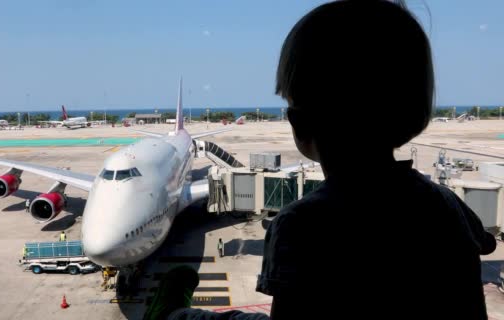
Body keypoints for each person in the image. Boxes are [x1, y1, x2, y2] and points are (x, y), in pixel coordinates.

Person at [144, 1, 497, 319]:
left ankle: (174, 316)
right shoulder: (447, 205)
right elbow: (487, 242)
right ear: (414, 116)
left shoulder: (301, 224)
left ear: (299, 124)